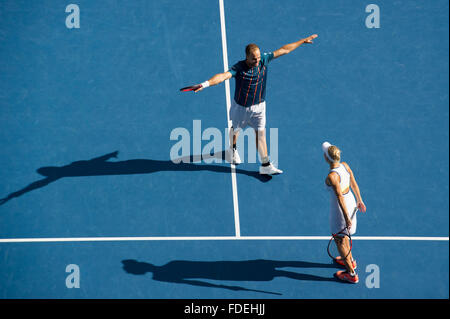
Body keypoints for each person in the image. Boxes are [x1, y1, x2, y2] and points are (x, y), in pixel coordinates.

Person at [193, 34, 318, 174]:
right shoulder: (239, 68)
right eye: (254, 58)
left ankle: (265, 165)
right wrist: (205, 84)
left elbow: (284, 50)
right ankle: (232, 150)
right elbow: (222, 76)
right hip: (241, 108)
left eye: (258, 57)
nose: (257, 60)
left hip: (260, 106)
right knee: (236, 130)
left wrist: (302, 41)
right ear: (247, 57)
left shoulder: (263, 60)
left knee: (261, 134)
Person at [322, 141, 366, 283]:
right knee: (344, 237)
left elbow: (339, 197)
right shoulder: (345, 166)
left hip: (340, 210)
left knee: (340, 241)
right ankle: (351, 261)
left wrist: (346, 218)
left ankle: (351, 274)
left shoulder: (332, 177)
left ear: (327, 158)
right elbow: (353, 183)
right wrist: (360, 200)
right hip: (351, 201)